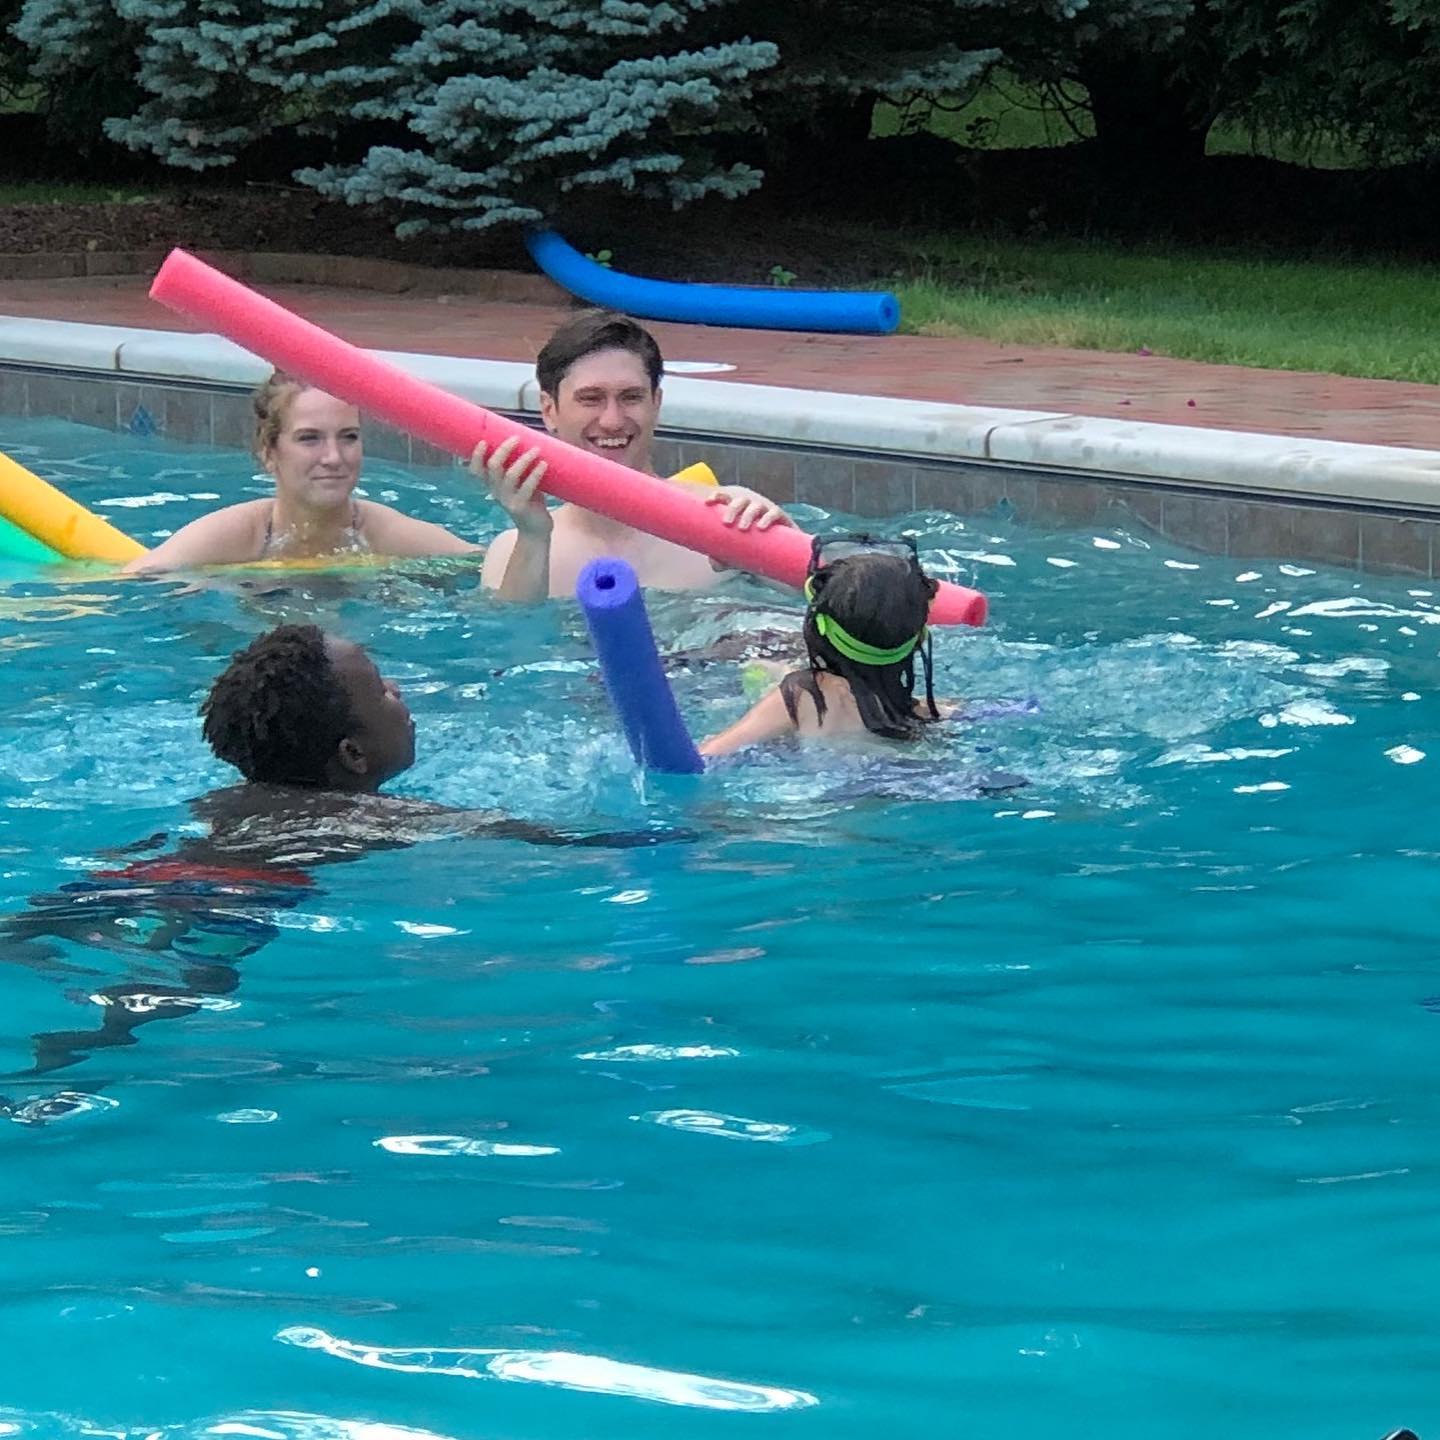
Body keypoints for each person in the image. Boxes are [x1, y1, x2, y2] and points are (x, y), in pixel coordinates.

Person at [472, 310, 794, 599]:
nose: (612, 420)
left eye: (631, 397)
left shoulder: (732, 517)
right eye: (591, 398)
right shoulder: (514, 551)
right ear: (549, 410)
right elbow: (513, 638)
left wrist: (782, 549)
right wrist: (533, 537)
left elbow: (819, 602)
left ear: (656, 403)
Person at [124, 372, 544, 583]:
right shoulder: (235, 537)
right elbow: (130, 584)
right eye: (309, 439)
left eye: (349, 437)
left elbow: (491, 577)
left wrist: (530, 530)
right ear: (269, 454)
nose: (333, 457)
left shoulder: (386, 535)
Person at [699, 536, 946, 758]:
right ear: (919, 637)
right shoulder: (926, 713)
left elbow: (709, 755)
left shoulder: (804, 695)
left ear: (817, 626)